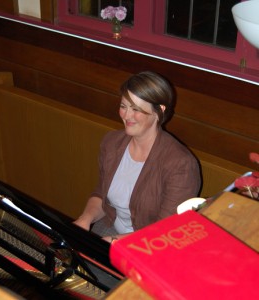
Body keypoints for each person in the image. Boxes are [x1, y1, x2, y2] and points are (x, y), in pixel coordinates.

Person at [74, 71, 201, 243]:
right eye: (123, 106)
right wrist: (84, 220)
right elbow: (101, 195)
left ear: (159, 111)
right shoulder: (112, 143)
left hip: (152, 245)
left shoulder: (181, 164)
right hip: (111, 226)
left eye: (136, 109)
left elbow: (165, 231)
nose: (126, 116)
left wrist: (111, 242)